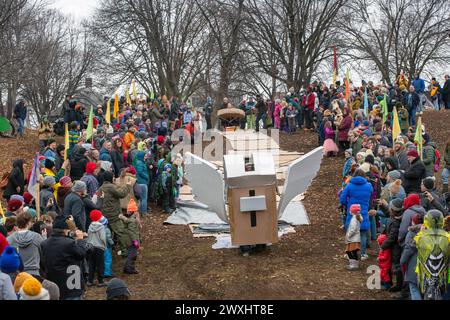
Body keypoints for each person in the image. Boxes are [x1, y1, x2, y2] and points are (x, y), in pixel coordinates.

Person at [41, 216, 89, 300]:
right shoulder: (69, 243)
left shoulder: (44, 243)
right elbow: (81, 254)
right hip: (71, 284)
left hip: (53, 283)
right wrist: (80, 240)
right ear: (65, 230)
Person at [414, 210, 449, 300]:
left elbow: (415, 243)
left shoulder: (421, 237)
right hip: (445, 276)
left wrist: (422, 231)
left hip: (426, 276)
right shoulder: (447, 237)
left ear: (427, 222)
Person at [97, 171, 132, 260]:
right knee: (121, 233)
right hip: (114, 215)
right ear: (109, 178)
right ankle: (125, 251)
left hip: (104, 216)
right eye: (113, 177)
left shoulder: (101, 188)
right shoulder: (111, 187)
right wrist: (128, 185)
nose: (114, 178)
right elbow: (122, 194)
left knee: (107, 234)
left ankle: (109, 250)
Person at [339, 169, 373, 260]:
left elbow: (342, 199)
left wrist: (348, 203)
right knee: (362, 234)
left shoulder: (349, 185)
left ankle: (349, 253)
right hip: (363, 211)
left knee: (351, 234)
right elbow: (371, 195)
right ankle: (363, 254)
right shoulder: (368, 186)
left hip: (352, 212)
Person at [6, 212, 44, 278]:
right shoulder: (36, 237)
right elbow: (43, 255)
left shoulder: (9, 239)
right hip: (34, 274)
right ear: (28, 223)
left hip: (17, 276)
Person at [380, 198, 404, 294]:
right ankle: (389, 282)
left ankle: (399, 285)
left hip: (396, 248)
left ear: (393, 210)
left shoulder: (396, 222)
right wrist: (382, 205)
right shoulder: (394, 216)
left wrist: (383, 246)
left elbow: (392, 237)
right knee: (391, 264)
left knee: (397, 266)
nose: (389, 209)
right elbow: (387, 212)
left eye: (390, 207)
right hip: (392, 246)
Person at [400, 213, 423, 300]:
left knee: (414, 288)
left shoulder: (411, 233)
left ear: (413, 221)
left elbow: (408, 248)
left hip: (414, 264)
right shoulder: (428, 231)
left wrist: (402, 261)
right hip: (428, 265)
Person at [86, 210, 107, 287]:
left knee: (92, 264)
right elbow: (103, 238)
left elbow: (88, 236)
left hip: (91, 247)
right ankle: (101, 281)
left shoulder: (90, 226)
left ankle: (90, 281)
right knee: (100, 264)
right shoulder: (101, 227)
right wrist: (104, 245)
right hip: (99, 248)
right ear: (99, 217)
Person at [345, 204, 362, 270]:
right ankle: (355, 264)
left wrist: (348, 235)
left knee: (349, 251)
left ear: (352, 211)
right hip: (355, 239)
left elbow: (353, 229)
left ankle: (353, 265)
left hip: (353, 239)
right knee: (353, 251)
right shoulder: (357, 217)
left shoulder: (354, 219)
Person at [134, 151, 149, 216]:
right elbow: (140, 172)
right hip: (142, 182)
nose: (146, 157)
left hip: (139, 182)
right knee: (144, 198)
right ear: (141, 156)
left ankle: (140, 212)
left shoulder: (138, 162)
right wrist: (147, 177)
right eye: (144, 156)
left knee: (140, 198)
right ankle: (144, 212)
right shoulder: (140, 163)